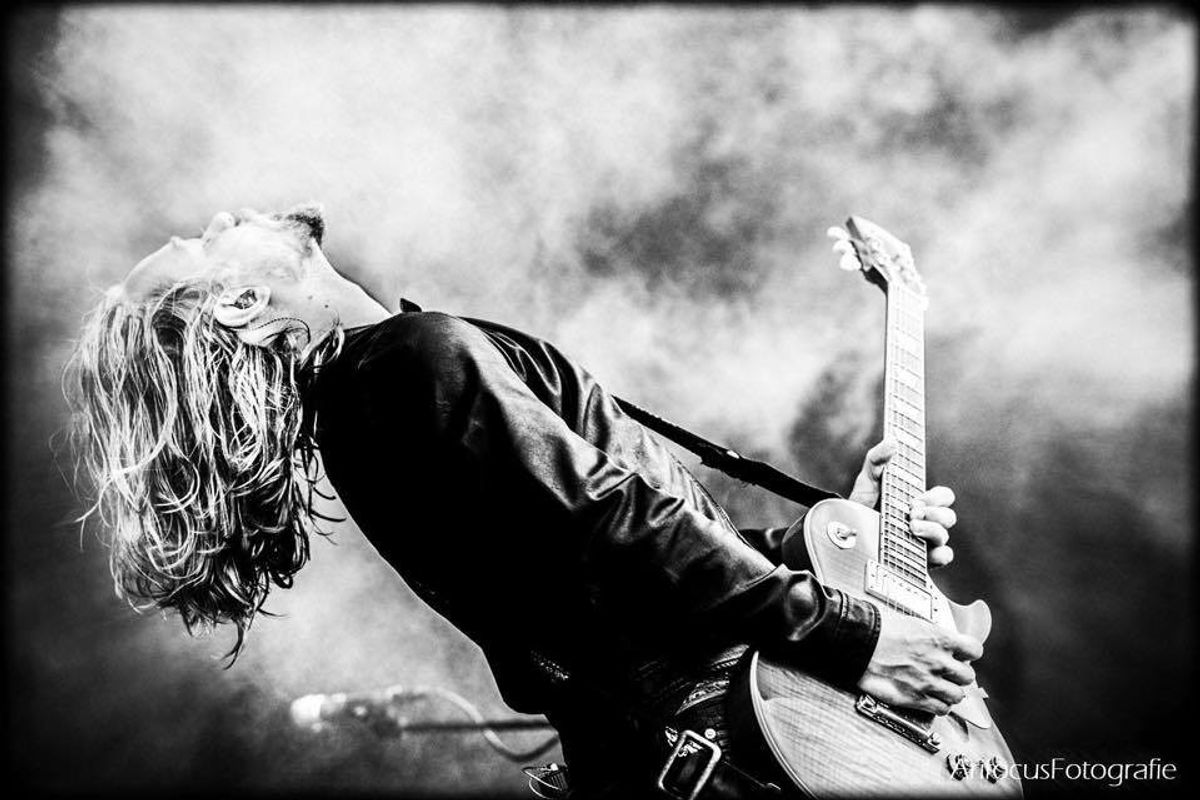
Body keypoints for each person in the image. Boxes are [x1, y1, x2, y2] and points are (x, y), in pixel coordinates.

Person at [66, 204, 980, 798]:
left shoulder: (378, 400)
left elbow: (620, 554)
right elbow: (612, 524)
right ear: (239, 301)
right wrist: (844, 632)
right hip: (734, 732)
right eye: (203, 243)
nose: (223, 218)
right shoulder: (405, 362)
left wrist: (823, 538)